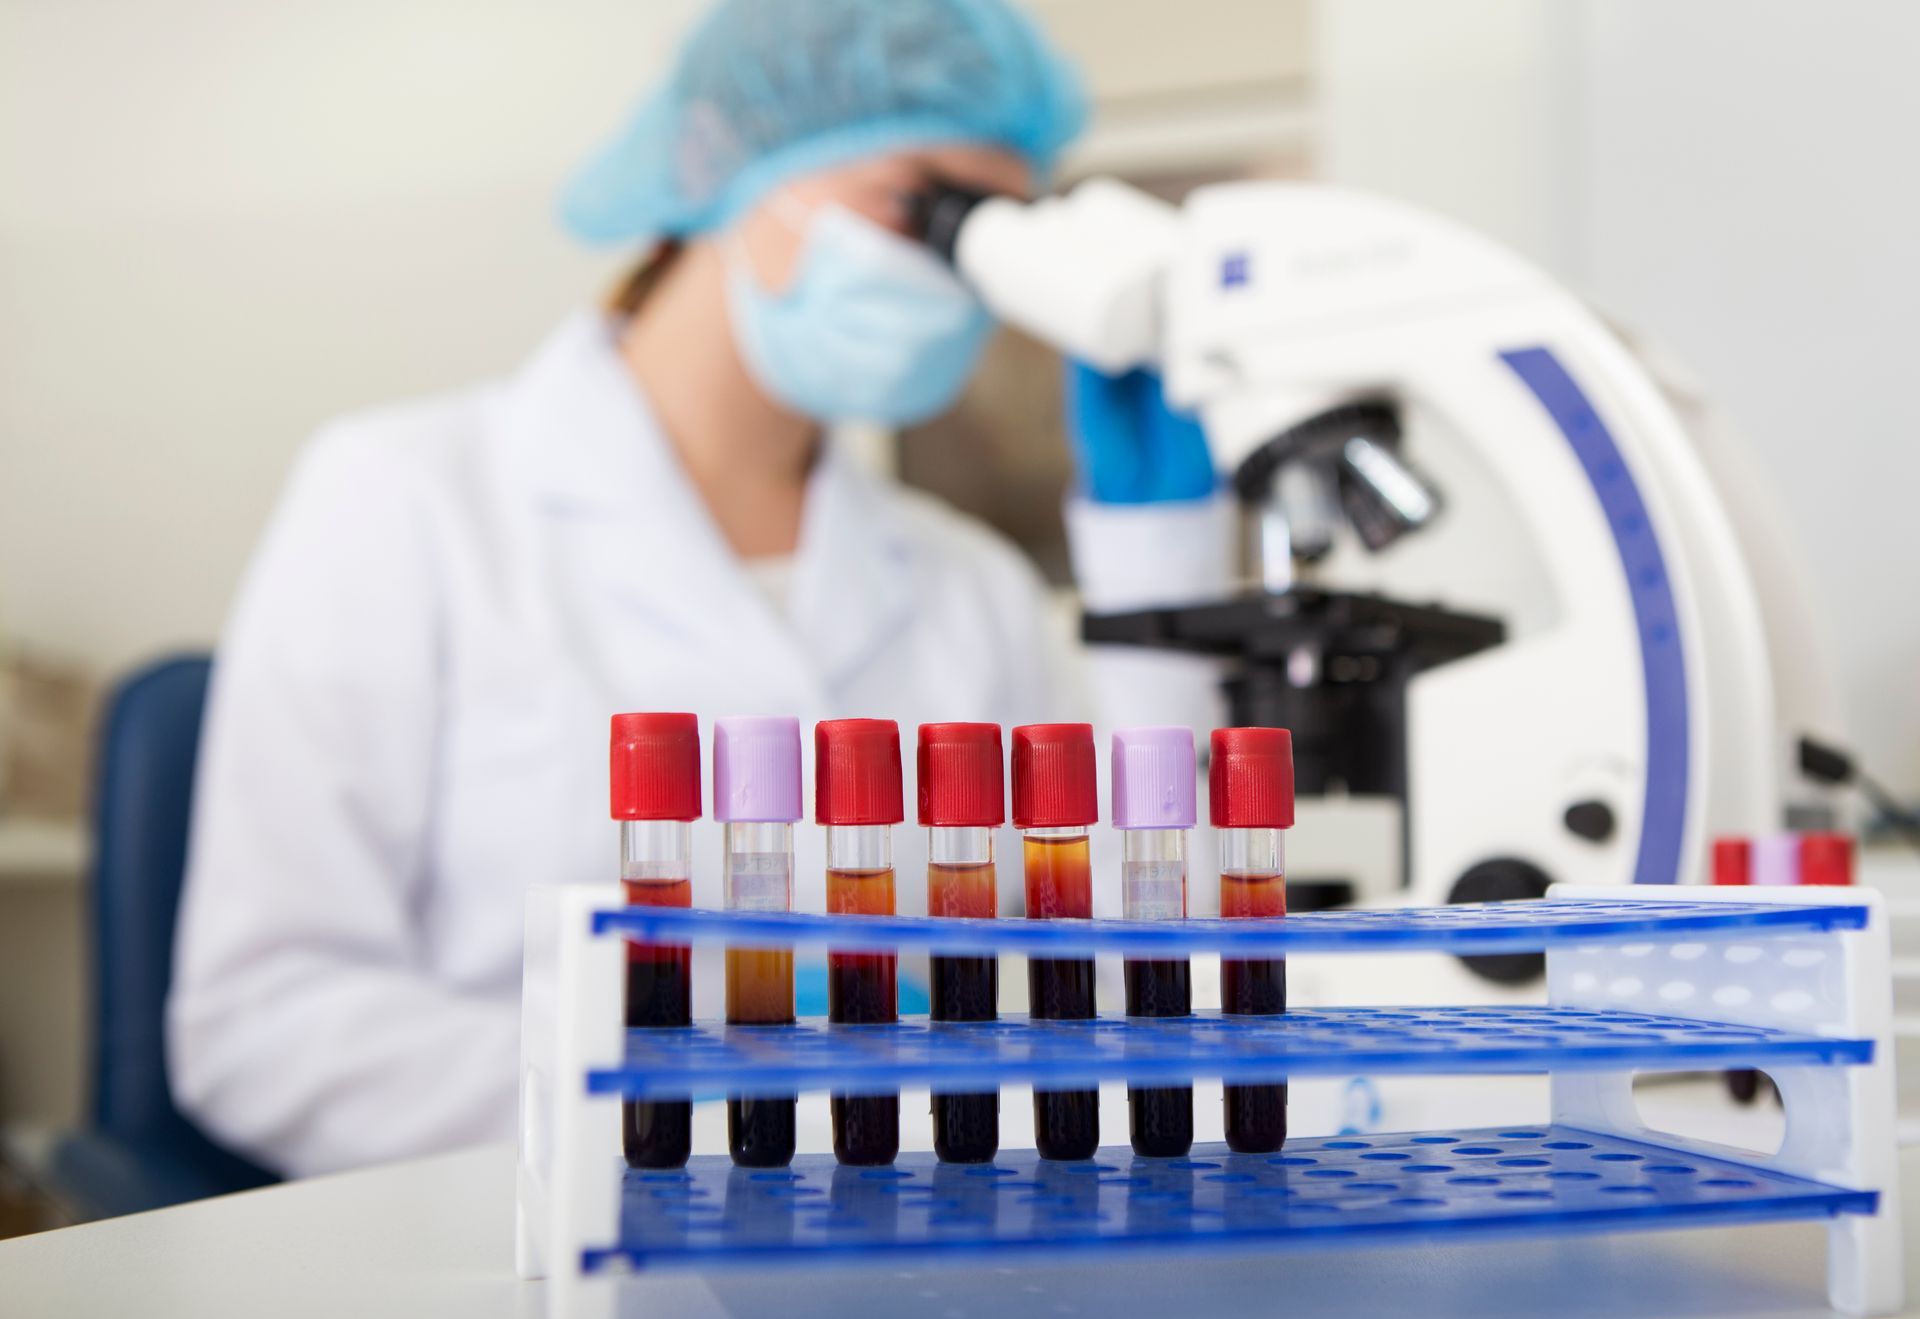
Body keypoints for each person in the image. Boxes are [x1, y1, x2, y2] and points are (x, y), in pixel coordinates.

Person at [169, 0, 1232, 1178]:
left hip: (918, 1229)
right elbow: (262, 1022)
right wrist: (682, 1081)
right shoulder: (406, 498)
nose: (950, 271)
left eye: (991, 228)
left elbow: (1138, 972)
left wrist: (1160, 570)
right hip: (515, 1230)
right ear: (725, 163)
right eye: (923, 202)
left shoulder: (964, 577)